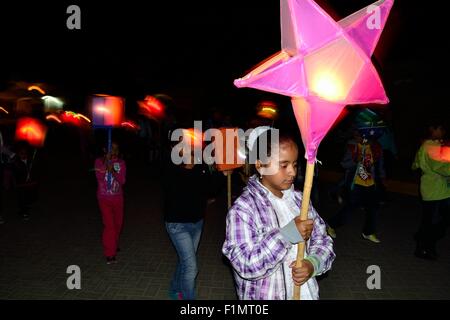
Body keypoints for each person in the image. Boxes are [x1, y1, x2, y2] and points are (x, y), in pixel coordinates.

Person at [222, 127, 335, 300]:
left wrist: (313, 263)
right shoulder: (243, 209)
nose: (292, 172)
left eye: (295, 164)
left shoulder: (300, 201)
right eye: (284, 165)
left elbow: (323, 239)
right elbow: (245, 264)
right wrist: (287, 235)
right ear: (260, 165)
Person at [162, 131, 221, 300]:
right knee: (191, 267)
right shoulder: (169, 166)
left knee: (185, 260)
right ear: (174, 148)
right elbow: (172, 187)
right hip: (177, 224)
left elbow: (211, 190)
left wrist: (218, 172)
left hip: (197, 222)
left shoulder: (200, 166)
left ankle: (175, 288)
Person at [326, 118, 386, 243]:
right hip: (356, 183)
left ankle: (368, 232)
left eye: (360, 134)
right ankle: (331, 224)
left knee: (372, 208)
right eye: (356, 134)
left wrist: (381, 177)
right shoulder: (353, 146)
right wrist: (356, 159)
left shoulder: (375, 147)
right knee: (351, 207)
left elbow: (379, 164)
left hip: (370, 183)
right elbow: (344, 164)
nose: (357, 136)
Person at [412, 122, 450, 260]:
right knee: (437, 222)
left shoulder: (429, 145)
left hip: (434, 189)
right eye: (440, 128)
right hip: (436, 190)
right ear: (432, 129)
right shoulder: (432, 146)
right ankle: (424, 247)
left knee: (431, 221)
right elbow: (439, 166)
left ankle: (422, 242)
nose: (443, 131)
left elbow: (415, 163)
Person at [95, 141, 126, 264]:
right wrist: (105, 166)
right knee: (109, 226)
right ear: (105, 149)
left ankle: (114, 242)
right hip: (104, 198)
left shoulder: (120, 163)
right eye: (111, 148)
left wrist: (112, 169)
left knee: (118, 224)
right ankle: (110, 253)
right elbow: (99, 176)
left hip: (118, 198)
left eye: (116, 148)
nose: (114, 151)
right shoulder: (98, 161)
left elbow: (122, 180)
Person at [12, 143, 38, 221]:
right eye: (21, 153)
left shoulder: (30, 161)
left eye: (25, 153)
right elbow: (17, 172)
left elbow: (35, 170)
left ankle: (24, 209)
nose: (23, 155)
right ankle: (24, 212)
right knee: (22, 198)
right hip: (21, 184)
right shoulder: (17, 162)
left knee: (29, 197)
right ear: (18, 154)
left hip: (29, 184)